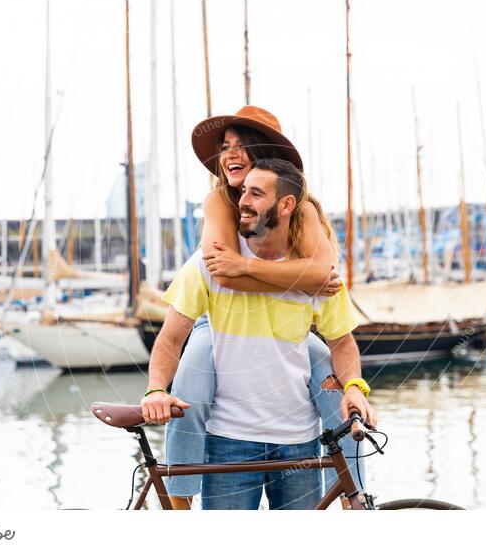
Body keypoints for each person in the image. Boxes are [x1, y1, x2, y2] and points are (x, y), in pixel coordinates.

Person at [142, 158, 376, 509]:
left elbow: (341, 343)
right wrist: (157, 389)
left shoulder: (318, 280)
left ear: (286, 204)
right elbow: (170, 339)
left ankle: (354, 497)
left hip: (298, 442)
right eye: (243, 192)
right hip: (229, 442)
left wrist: (356, 388)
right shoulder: (209, 264)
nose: (243, 201)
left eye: (256, 193)